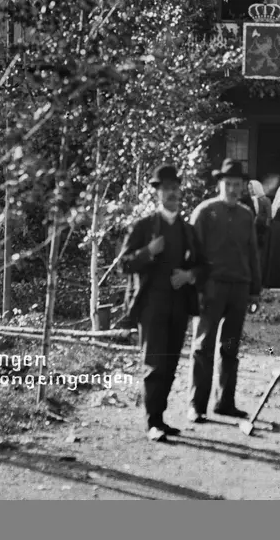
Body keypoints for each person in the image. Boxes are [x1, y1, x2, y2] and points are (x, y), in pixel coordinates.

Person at [119, 164, 210, 442]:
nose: (173, 193)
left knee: (170, 365)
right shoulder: (144, 227)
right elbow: (124, 263)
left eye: (176, 188)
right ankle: (152, 422)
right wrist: (148, 251)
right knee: (154, 364)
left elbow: (204, 266)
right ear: (157, 192)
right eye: (167, 188)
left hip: (179, 306)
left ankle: (161, 418)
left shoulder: (188, 230)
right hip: (152, 306)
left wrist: (189, 275)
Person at [187, 158, 263, 422]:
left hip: (238, 289)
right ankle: (196, 405)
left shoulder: (246, 215)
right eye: (228, 184)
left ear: (243, 187)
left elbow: (253, 254)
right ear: (220, 184)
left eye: (237, 185)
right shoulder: (205, 212)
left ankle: (225, 402)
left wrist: (255, 290)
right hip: (211, 288)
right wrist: (195, 287)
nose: (232, 189)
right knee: (203, 346)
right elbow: (192, 253)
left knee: (230, 347)